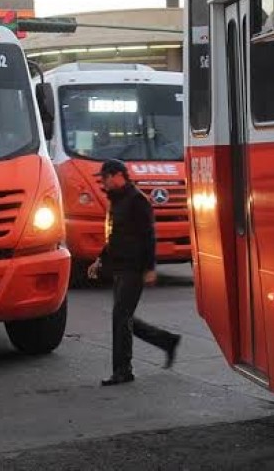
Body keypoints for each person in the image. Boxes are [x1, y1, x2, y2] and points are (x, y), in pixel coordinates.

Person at [88, 158, 181, 386]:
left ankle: (123, 370)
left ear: (117, 175)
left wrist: (150, 268)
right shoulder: (116, 201)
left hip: (134, 268)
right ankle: (166, 341)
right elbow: (114, 235)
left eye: (105, 178)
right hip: (119, 267)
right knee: (124, 317)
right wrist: (100, 259)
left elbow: (148, 236)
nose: (103, 183)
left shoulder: (137, 200)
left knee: (121, 317)